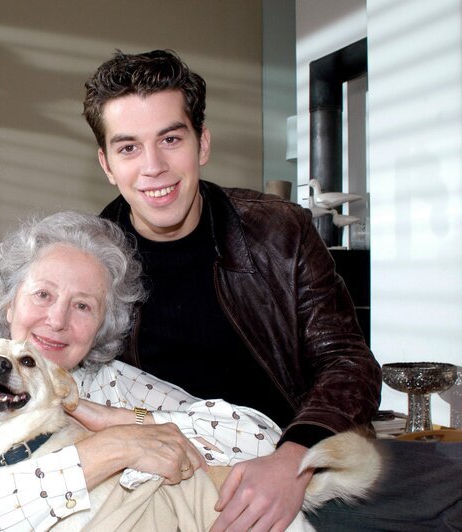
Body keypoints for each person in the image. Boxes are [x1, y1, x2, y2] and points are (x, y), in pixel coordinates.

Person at [83, 49, 462, 531]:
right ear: (106, 163)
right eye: (128, 148)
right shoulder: (87, 263)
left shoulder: (280, 230)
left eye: (171, 139)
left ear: (202, 143)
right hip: (171, 481)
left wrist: (292, 460)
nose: (153, 166)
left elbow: (348, 362)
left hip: (299, 461)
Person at [0, 211, 283, 530]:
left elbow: (263, 440)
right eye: (43, 294)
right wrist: (112, 449)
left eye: (82, 306)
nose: (57, 320)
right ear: (10, 304)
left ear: (102, 325)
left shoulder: (117, 383)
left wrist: (115, 418)